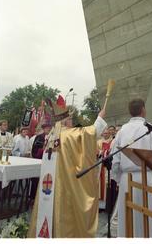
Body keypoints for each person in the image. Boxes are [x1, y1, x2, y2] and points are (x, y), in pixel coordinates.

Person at [28, 96, 108, 238]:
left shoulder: (52, 136)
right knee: (62, 215)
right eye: (70, 119)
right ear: (64, 120)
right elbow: (90, 133)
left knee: (47, 214)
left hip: (48, 188)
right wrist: (100, 118)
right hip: (64, 189)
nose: (71, 122)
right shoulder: (67, 135)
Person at [111, 98, 152, 237]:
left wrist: (120, 179)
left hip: (127, 181)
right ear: (143, 110)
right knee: (149, 220)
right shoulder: (151, 130)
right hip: (149, 179)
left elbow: (115, 161)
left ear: (130, 112)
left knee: (129, 220)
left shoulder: (121, 132)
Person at [97, 127, 113, 210]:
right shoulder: (99, 142)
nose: (106, 134)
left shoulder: (112, 141)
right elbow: (96, 152)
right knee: (100, 185)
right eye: (104, 133)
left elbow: (112, 151)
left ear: (109, 134)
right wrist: (101, 152)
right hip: (100, 166)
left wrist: (106, 152)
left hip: (108, 167)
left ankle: (107, 205)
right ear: (102, 134)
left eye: (107, 133)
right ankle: (100, 206)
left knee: (107, 184)